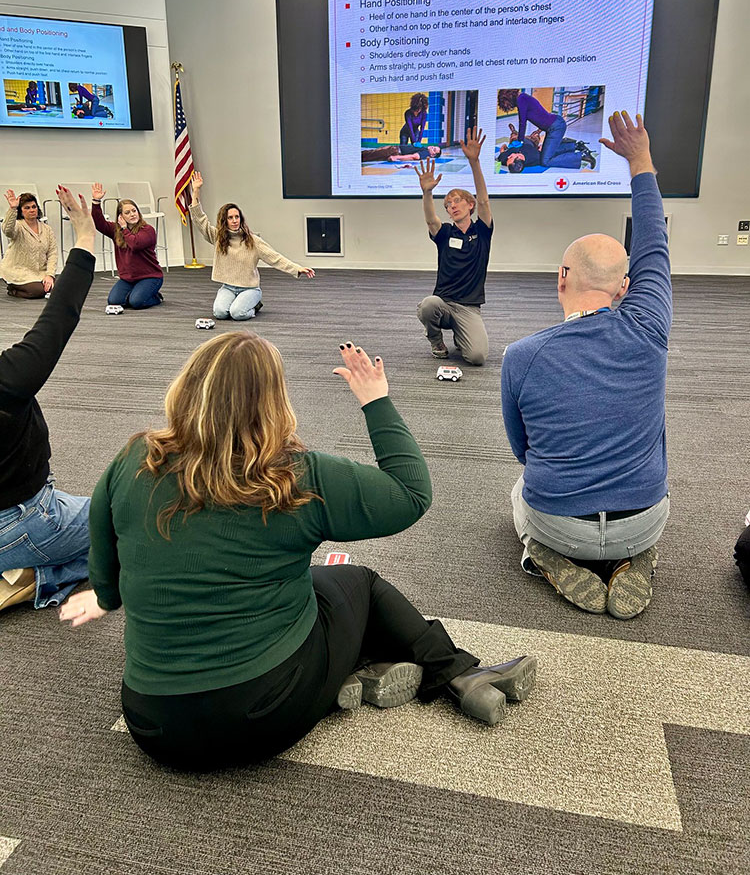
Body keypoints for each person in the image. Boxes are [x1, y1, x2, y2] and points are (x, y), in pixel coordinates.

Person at [59, 333, 538, 769]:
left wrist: (105, 595)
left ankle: (355, 674)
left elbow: (105, 559)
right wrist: (376, 401)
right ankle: (455, 673)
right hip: (266, 714)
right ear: (274, 403)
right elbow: (412, 494)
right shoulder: (295, 476)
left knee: (304, 588)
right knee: (358, 584)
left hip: (151, 726)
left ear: (187, 389)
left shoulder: (135, 460)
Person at [501, 111, 670, 619]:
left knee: (517, 493)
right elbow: (654, 247)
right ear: (624, 288)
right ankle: (636, 555)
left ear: (561, 277)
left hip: (560, 522)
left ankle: (545, 553)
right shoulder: (649, 328)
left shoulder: (521, 356)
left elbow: (523, 452)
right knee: (651, 485)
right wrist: (640, 161)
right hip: (642, 517)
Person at [0, 186, 96, 612]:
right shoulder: (9, 379)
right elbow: (60, 315)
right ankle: (34, 576)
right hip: (22, 519)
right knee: (137, 519)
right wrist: (87, 235)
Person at [189, 171, 314, 321]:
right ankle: (238, 303)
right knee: (220, 313)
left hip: (250, 289)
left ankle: (254, 305)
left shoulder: (252, 241)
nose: (235, 220)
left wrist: (297, 268)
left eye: (237, 217)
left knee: (237, 314)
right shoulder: (218, 237)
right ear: (224, 220)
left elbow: (275, 257)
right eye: (230, 218)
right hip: (228, 287)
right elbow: (199, 220)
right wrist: (196, 191)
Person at [415, 127, 493, 365]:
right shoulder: (445, 233)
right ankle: (436, 339)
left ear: (469, 205)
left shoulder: (482, 230)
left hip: (469, 307)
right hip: (444, 303)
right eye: (448, 205)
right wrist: (427, 193)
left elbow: (484, 199)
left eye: (457, 201)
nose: (452, 206)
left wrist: (475, 162)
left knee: (477, 357)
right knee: (428, 306)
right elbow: (430, 219)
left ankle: (462, 336)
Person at [90, 185, 164, 309]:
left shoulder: (148, 230)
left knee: (136, 302)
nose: (132, 214)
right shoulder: (116, 230)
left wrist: (124, 229)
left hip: (150, 276)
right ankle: (138, 292)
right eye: (127, 212)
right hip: (128, 279)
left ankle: (156, 296)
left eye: (134, 211)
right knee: (114, 301)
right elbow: (99, 223)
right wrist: (96, 202)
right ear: (121, 217)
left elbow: (135, 244)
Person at [497, 89, 596, 170]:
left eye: (507, 105)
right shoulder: (523, 98)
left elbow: (522, 122)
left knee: (545, 161)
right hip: (553, 126)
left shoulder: (521, 99)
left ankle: (582, 155)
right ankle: (577, 146)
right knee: (546, 152)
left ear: (508, 99)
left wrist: (521, 141)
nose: (510, 107)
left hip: (556, 126)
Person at [2, 189, 57, 299]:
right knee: (38, 291)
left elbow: (52, 253)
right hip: (19, 272)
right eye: (27, 208)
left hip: (39, 273)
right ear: (21, 211)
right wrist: (13, 208)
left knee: (58, 288)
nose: (32, 210)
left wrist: (50, 275)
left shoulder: (47, 229)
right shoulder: (18, 226)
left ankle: (37, 286)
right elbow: (7, 230)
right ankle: (13, 289)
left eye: (34, 206)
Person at [362, 144, 441, 163]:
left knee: (370, 155)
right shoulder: (425, 149)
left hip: (395, 151)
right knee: (372, 155)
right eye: (433, 147)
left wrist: (396, 157)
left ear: (432, 155)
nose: (431, 147)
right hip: (395, 149)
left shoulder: (426, 153)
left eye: (434, 149)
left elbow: (415, 156)